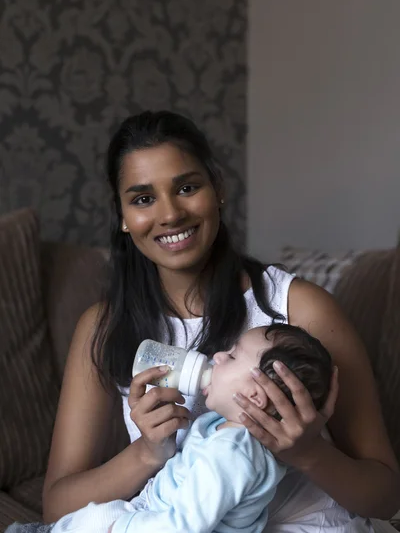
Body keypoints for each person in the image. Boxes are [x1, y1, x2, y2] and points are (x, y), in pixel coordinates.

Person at [42, 111, 400, 532]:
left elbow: (386, 494)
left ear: (218, 190)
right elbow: (57, 508)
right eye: (142, 199)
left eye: (187, 187)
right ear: (122, 215)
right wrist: (146, 454)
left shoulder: (298, 308)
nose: (171, 214)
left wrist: (308, 453)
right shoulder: (102, 328)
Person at [48, 323, 333, 533]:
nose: (218, 356)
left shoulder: (232, 454)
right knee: (90, 517)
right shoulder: (221, 427)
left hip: (161, 524)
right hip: (153, 511)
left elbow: (183, 526)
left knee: (92, 522)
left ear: (256, 396)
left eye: (233, 357)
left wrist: (122, 528)